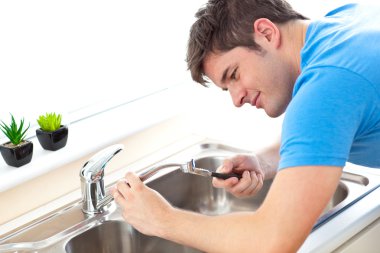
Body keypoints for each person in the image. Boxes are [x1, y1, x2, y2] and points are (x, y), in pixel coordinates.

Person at [112, 0, 380, 252]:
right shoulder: (346, 22)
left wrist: (161, 219)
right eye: (227, 88)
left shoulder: (325, 90)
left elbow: (271, 241)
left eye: (234, 74)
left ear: (265, 32)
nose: (237, 99)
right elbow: (328, 128)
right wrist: (263, 162)